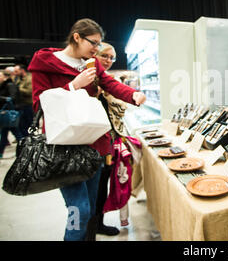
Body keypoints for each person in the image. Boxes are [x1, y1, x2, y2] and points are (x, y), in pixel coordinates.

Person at [27, 18, 146, 241]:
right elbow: (39, 105)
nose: (96, 49)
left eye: (99, 45)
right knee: (78, 210)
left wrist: (132, 95)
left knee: (90, 208)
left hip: (95, 145)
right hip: (64, 148)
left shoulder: (92, 63)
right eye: (93, 43)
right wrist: (73, 86)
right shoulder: (45, 61)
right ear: (77, 37)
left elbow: (111, 84)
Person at [93, 42, 130, 236]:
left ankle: (98, 223)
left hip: (108, 143)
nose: (108, 61)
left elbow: (121, 109)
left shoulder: (108, 81)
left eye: (112, 57)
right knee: (90, 190)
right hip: (89, 145)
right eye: (104, 56)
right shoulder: (87, 80)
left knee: (102, 185)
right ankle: (88, 226)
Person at [0, 70, 23, 158]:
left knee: (16, 133)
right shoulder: (4, 85)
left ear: (5, 77)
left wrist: (2, 98)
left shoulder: (9, 85)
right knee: (6, 133)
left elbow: (12, 98)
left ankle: (23, 150)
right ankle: (1, 152)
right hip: (6, 113)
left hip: (10, 113)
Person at [13, 64, 33, 137]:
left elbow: (30, 91)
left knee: (28, 126)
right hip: (20, 105)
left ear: (22, 70)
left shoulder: (29, 78)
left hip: (28, 105)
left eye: (16, 71)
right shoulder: (17, 78)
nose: (15, 73)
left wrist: (18, 89)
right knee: (21, 126)